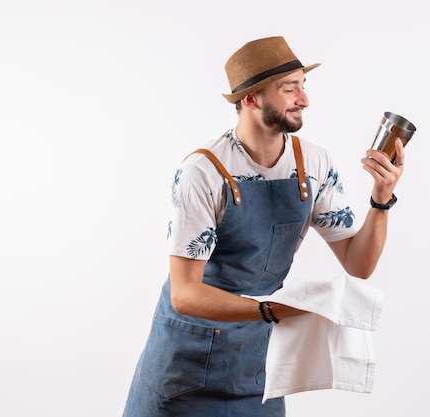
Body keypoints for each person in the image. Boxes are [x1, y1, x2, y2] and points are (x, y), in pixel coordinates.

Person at [122, 35, 406, 417]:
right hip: (182, 373)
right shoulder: (203, 173)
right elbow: (184, 293)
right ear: (251, 99)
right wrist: (272, 309)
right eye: (289, 89)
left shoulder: (313, 165)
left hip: (256, 370)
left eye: (303, 87)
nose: (304, 100)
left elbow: (359, 264)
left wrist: (381, 197)